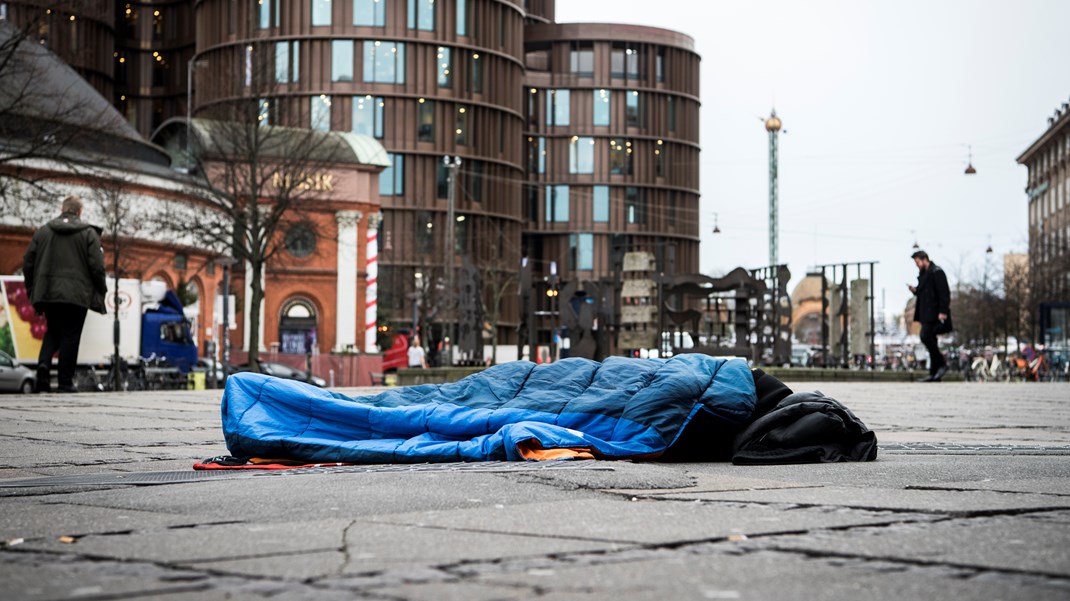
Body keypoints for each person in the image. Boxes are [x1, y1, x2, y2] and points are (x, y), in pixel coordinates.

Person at [22, 195, 107, 392]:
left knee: (52, 330)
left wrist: (33, 289)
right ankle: (64, 382)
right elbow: (97, 267)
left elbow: (28, 262)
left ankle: (43, 366)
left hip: (49, 292)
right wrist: (100, 290)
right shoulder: (88, 234)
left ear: (63, 210)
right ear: (79, 212)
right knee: (70, 335)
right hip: (77, 295)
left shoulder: (43, 232)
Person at [907, 250, 951, 382]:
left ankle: (942, 364)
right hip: (926, 314)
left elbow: (944, 293)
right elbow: (923, 293)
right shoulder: (924, 274)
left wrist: (943, 312)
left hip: (935, 314)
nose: (916, 265)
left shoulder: (937, 272)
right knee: (931, 339)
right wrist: (915, 290)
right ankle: (934, 373)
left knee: (925, 336)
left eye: (917, 262)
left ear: (924, 259)